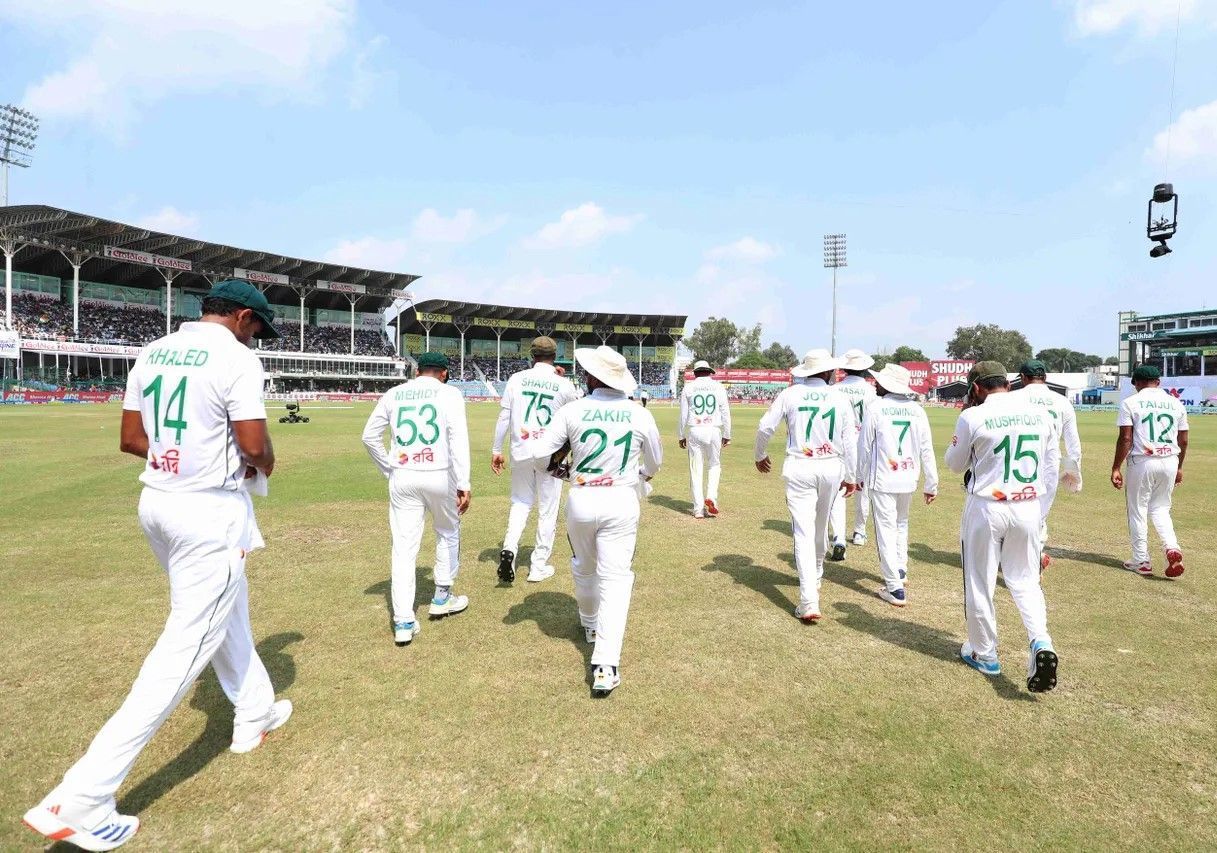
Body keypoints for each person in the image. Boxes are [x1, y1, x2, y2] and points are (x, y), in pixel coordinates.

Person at [24, 280, 291, 851]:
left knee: (227, 614)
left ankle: (256, 712)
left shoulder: (153, 350)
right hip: (207, 514)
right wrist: (264, 464)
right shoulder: (237, 360)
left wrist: (181, 458)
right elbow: (254, 444)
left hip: (158, 504)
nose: (257, 339)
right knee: (184, 646)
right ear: (244, 317)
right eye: (258, 328)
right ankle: (85, 798)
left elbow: (131, 439)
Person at [528, 346, 662, 696]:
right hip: (621, 498)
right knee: (616, 580)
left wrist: (565, 470)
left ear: (590, 376)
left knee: (583, 566)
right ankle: (605, 665)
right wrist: (641, 475)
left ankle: (589, 624)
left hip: (583, 497)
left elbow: (541, 456)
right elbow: (656, 462)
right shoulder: (639, 413)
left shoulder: (573, 410)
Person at [944, 361, 1060, 693]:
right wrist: (1040, 511)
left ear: (977, 388)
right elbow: (1050, 467)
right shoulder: (1040, 413)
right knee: (1025, 582)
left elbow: (954, 464)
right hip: (1027, 506)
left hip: (987, 506)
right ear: (1007, 384)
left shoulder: (973, 415)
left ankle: (985, 653)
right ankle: (1041, 640)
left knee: (979, 582)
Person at [362, 351, 472, 646]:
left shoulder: (394, 393)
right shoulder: (449, 393)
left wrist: (390, 467)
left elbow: (369, 436)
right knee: (448, 531)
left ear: (417, 371)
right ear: (444, 373)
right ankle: (441, 597)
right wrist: (464, 483)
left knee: (403, 548)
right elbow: (457, 438)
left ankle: (403, 621)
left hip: (403, 475)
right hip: (440, 474)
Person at [755, 349, 858, 623]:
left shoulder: (790, 394)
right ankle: (817, 577)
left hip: (800, 466)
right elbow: (850, 441)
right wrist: (851, 475)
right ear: (826, 372)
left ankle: (809, 600)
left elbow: (765, 427)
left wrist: (760, 455)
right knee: (820, 528)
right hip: (831, 466)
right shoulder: (839, 397)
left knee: (803, 532)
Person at [491, 336, 580, 583]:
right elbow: (575, 417)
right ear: (555, 356)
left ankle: (509, 547)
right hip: (550, 454)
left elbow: (504, 417)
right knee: (547, 510)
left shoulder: (516, 379)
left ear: (532, 355)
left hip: (520, 449)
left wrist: (496, 450)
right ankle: (538, 565)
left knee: (520, 502)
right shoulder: (563, 384)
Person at [857, 363, 939, 606]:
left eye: (878, 381)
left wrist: (859, 475)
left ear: (885, 385)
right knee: (901, 523)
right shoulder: (917, 410)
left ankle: (894, 587)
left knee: (885, 529)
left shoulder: (876, 408)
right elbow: (927, 449)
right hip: (908, 477)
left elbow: (864, 446)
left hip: (883, 478)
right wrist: (931, 483)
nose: (875, 384)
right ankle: (901, 570)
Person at [1111, 364, 1189, 578]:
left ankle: (1141, 560)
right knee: (1161, 508)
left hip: (1143, 460)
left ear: (1135, 383)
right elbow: (1183, 440)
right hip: (1170, 460)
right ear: (1159, 382)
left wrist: (1116, 466)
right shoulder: (1175, 403)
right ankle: (1171, 548)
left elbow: (1126, 438)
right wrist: (1180, 466)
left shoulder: (1130, 402)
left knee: (1138, 510)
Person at [1011, 359, 1083, 570]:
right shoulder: (1061, 402)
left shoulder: (1013, 398)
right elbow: (1073, 442)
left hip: (1020, 460)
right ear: (1045, 378)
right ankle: (1036, 552)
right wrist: (1073, 471)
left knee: (1016, 509)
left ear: (1023, 378)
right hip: (1050, 462)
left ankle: (1028, 556)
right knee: (1040, 513)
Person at [829, 348, 877, 558]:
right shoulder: (871, 391)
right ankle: (859, 531)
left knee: (839, 487)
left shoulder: (835, 389)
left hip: (840, 443)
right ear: (865, 368)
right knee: (861, 487)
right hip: (865, 442)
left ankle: (838, 534)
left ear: (845, 368)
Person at [678, 360, 732, 518]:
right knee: (714, 465)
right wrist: (727, 434)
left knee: (696, 469)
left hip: (695, 430)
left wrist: (681, 434)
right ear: (709, 372)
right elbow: (725, 411)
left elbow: (683, 414)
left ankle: (698, 509)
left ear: (695, 373)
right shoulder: (718, 387)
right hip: (714, 430)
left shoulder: (688, 387)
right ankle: (711, 498)